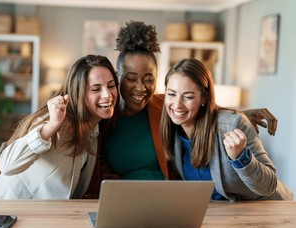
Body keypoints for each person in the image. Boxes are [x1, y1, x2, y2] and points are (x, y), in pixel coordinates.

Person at [94, 20, 279, 190]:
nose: (141, 87)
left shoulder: (162, 106)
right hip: (123, 198)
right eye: (131, 78)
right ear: (117, 77)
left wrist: (241, 114)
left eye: (149, 78)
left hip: (170, 198)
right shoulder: (105, 117)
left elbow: (196, 108)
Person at [0, 54, 119, 199]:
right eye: (96, 89)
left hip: (39, 215)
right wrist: (51, 126)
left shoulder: (93, 131)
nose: (107, 95)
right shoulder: (56, 122)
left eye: (111, 86)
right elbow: (6, 165)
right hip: (2, 209)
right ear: (78, 92)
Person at [160, 58, 293, 200]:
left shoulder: (233, 125)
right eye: (171, 94)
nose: (177, 104)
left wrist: (241, 157)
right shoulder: (172, 132)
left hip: (265, 209)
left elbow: (269, 185)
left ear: (204, 98)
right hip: (225, 213)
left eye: (188, 96)